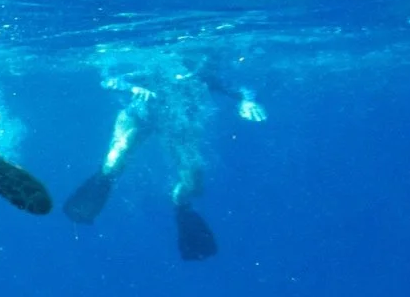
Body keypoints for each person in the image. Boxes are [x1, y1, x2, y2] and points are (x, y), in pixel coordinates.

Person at [61, 53, 263, 260]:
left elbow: (241, 89)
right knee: (115, 161)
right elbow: (109, 81)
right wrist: (132, 88)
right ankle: (95, 191)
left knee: (193, 182)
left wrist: (248, 101)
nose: (194, 69)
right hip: (139, 116)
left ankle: (181, 208)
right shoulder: (156, 69)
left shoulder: (204, 75)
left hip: (176, 126)